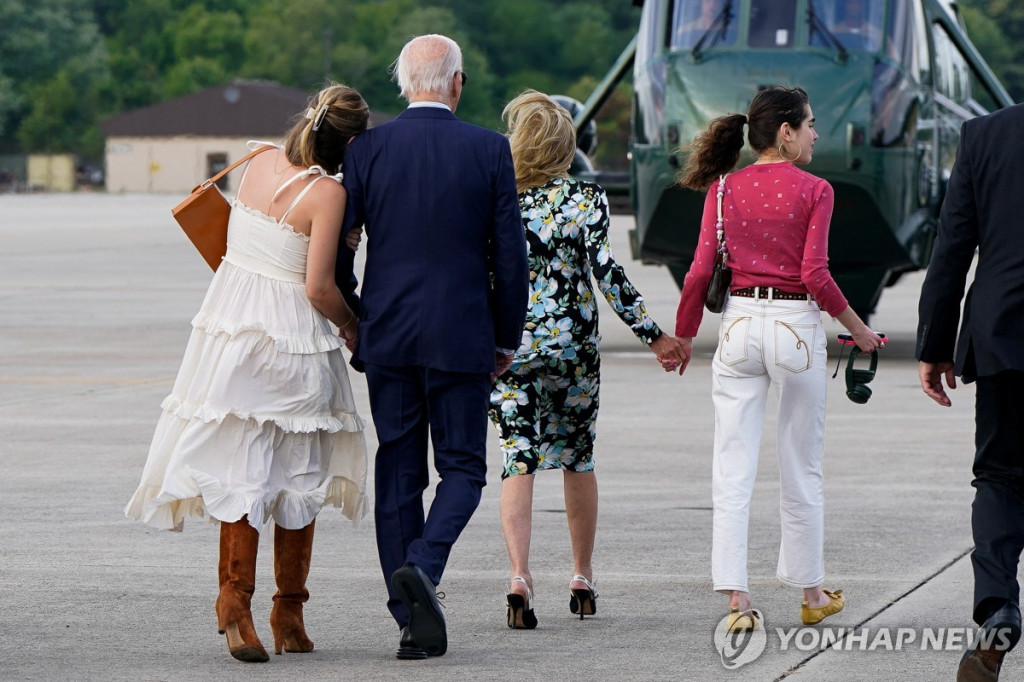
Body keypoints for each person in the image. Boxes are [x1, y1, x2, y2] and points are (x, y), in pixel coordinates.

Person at [124, 84, 371, 662]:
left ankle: (235, 603)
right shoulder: (327, 193)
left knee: (244, 470)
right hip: (292, 341)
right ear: (351, 144)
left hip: (231, 334)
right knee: (299, 472)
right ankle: (289, 612)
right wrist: (354, 324)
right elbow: (318, 287)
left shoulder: (256, 160)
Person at [337, 34, 529, 659]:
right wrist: (505, 335)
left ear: (404, 83)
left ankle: (409, 618)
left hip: (388, 333)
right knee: (465, 468)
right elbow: (511, 257)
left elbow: (340, 243)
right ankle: (425, 564)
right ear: (457, 83)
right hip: (462, 332)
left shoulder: (366, 149)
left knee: (398, 467)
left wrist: (354, 314)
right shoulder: (489, 149)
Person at [672, 85, 884, 633]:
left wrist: (684, 336)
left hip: (738, 326)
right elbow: (815, 275)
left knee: (732, 464)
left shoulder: (721, 191)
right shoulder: (816, 190)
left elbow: (699, 271)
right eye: (810, 124)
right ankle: (811, 592)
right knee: (801, 462)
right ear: (785, 133)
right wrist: (859, 331)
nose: (817, 133)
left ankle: (737, 602)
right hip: (794, 328)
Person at [490, 90, 687, 630]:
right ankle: (581, 574)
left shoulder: (495, 199)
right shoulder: (586, 199)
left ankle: (519, 576)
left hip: (509, 348)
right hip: (573, 351)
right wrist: (655, 337)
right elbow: (609, 277)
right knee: (578, 456)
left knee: (518, 458)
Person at [917, 104, 1024, 682]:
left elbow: (952, 247)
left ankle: (997, 609)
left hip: (1005, 333)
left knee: (1002, 477)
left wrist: (934, 343)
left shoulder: (985, 135)